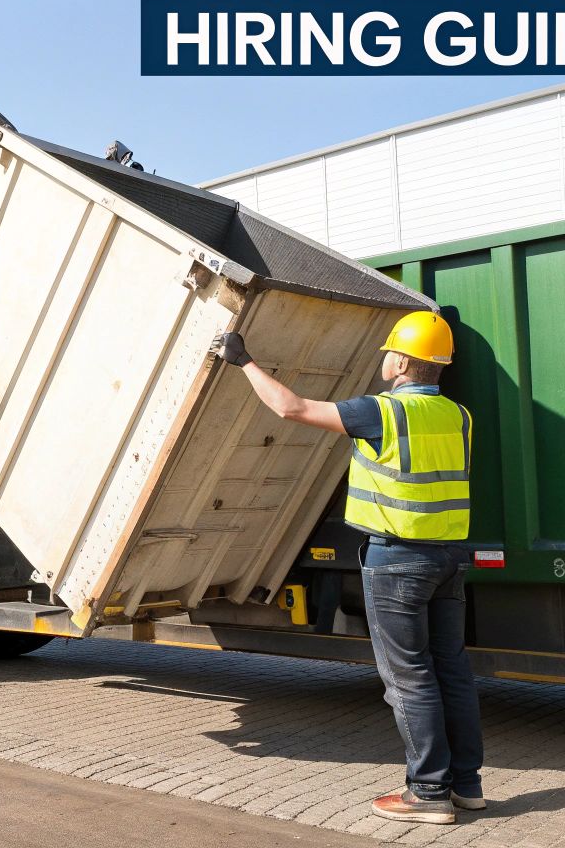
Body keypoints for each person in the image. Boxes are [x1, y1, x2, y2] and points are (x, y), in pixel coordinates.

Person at [211, 310, 484, 825]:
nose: (384, 359)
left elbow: (290, 408)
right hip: (448, 558)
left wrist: (242, 359)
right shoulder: (459, 416)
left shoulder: (382, 412)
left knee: (409, 679)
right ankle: (466, 786)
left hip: (397, 559)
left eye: (388, 352)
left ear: (402, 360)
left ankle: (427, 793)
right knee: (452, 673)